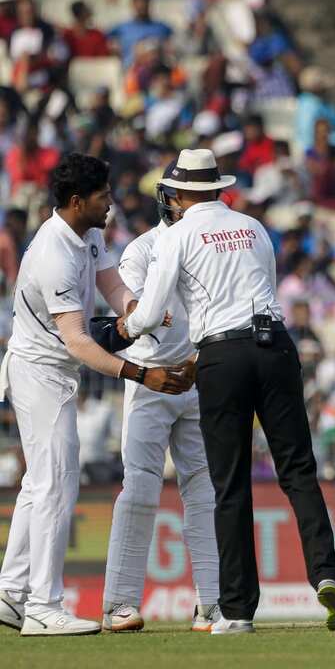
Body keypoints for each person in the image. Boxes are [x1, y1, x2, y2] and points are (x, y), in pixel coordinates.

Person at [119, 149, 335, 634]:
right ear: (217, 188)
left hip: (222, 355)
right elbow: (265, 290)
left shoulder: (178, 234)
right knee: (299, 470)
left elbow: (149, 311)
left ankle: (238, 610)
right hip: (275, 346)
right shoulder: (252, 226)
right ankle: (326, 574)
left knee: (229, 484)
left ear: (182, 194)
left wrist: (126, 326)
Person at [0, 154, 192, 636]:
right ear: (77, 201)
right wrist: (141, 374)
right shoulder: (53, 256)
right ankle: (43, 605)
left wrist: (138, 312)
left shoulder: (86, 234)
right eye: (103, 196)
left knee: (38, 486)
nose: (112, 203)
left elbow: (111, 284)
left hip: (51, 371)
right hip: (41, 373)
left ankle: (10, 592)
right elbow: (80, 342)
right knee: (56, 484)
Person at [101, 170, 222, 633]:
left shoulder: (213, 244)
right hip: (150, 379)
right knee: (140, 488)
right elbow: (132, 312)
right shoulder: (141, 250)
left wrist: (197, 359)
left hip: (196, 375)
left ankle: (212, 603)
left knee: (204, 489)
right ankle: (119, 604)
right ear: (170, 200)